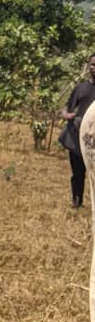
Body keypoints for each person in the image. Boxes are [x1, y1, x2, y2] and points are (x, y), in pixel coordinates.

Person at [60, 53, 95, 207]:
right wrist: (66, 114)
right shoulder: (81, 88)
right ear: (88, 66)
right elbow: (67, 107)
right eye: (93, 64)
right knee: (78, 173)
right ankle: (77, 201)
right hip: (77, 137)